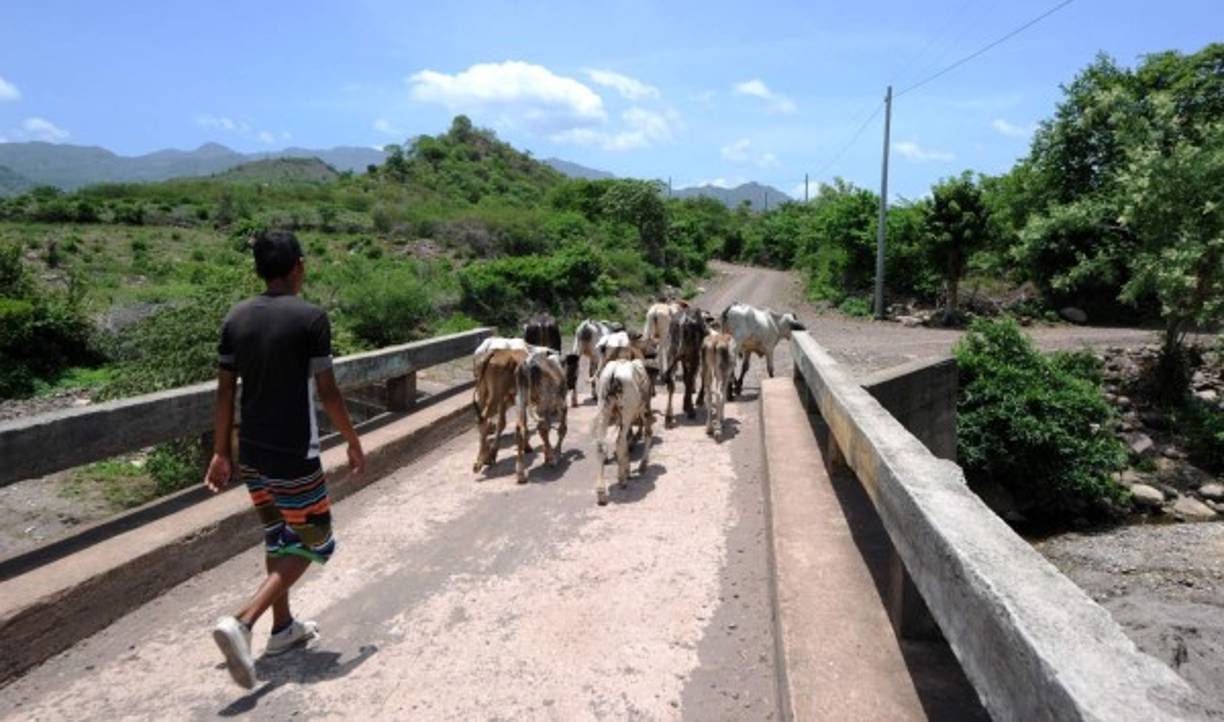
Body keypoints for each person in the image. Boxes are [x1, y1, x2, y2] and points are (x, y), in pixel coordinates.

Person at [204, 229, 365, 689]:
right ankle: (244, 622)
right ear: (298, 267)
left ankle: (283, 629)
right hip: (295, 453)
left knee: (279, 536)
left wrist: (221, 451)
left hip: (251, 454)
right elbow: (329, 391)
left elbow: (223, 391)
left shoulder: (236, 317)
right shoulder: (311, 317)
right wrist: (352, 439)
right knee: (317, 541)